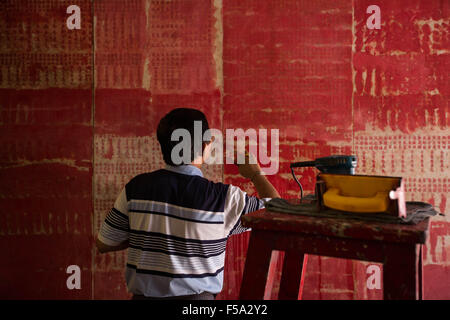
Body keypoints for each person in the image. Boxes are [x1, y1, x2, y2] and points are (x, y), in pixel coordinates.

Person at [96, 108, 280, 300]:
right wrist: (256, 174)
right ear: (206, 144)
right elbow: (276, 212)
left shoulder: (135, 189)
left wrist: (146, 237)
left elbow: (104, 243)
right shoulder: (223, 199)